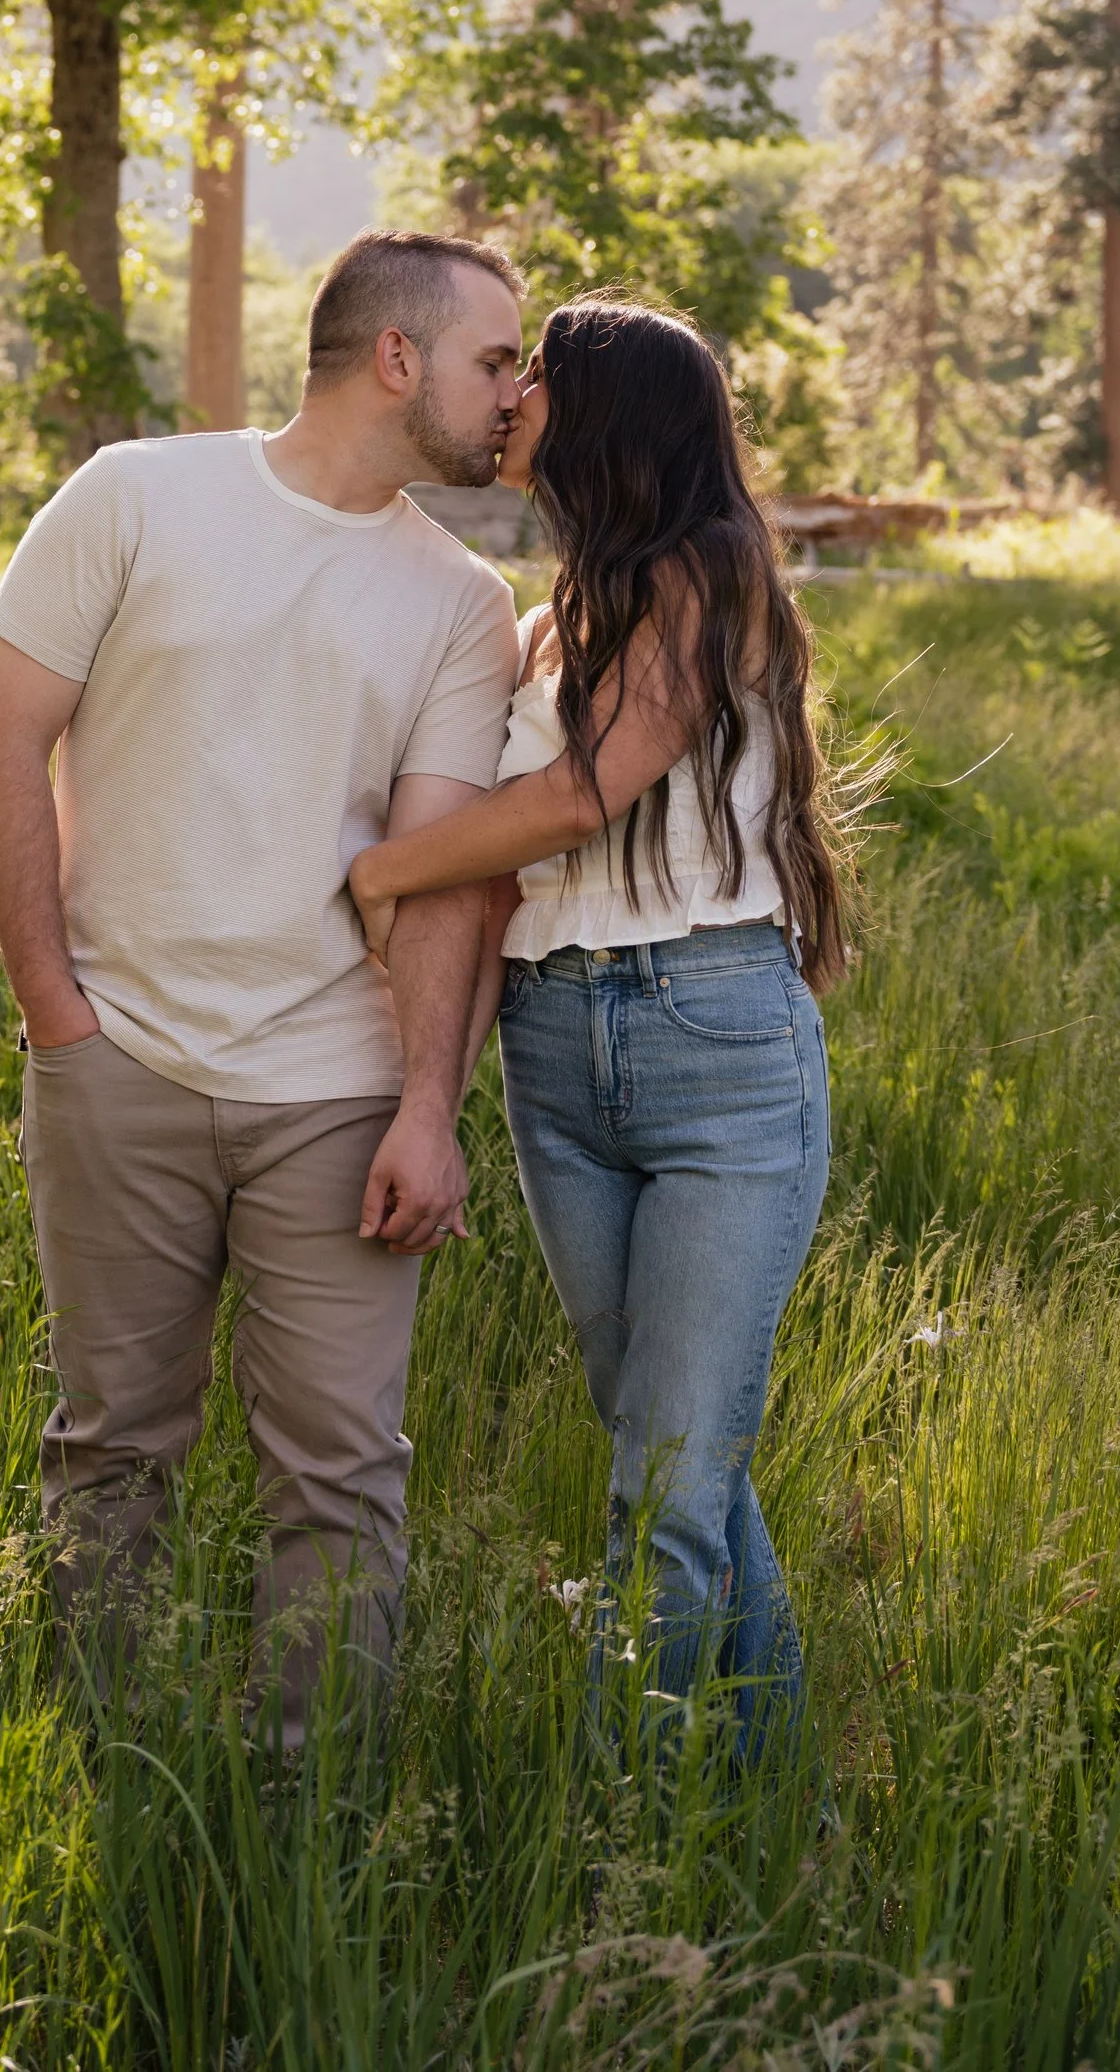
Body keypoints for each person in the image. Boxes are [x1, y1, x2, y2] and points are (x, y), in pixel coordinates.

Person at [0, 229, 525, 1740]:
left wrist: (427, 1106)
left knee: (342, 1472)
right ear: (397, 358)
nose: (514, 396)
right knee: (109, 1451)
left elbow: (441, 868)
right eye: (494, 360)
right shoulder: (136, 495)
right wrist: (57, 1021)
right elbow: (0, 739)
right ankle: (106, 1778)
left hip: (335, 1097)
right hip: (116, 1063)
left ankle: (310, 1826)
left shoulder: (466, 602)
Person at [345, 296, 846, 1754]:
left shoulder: (707, 573)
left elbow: (575, 799)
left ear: (608, 409)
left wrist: (376, 873)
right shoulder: (552, 616)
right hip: (557, 1055)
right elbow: (500, 851)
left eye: (537, 374)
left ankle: (632, 1834)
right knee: (669, 1457)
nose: (508, 397)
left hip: (718, 1053)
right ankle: (764, 1803)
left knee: (669, 1483)